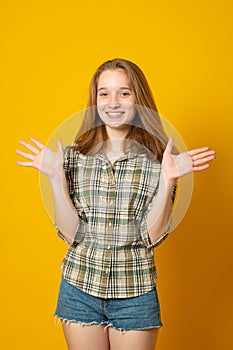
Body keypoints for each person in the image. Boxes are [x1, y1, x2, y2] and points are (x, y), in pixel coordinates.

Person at [16, 58, 216, 350]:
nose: (113, 102)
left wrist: (168, 180)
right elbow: (72, 236)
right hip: (79, 289)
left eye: (124, 92)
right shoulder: (71, 157)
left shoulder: (160, 161)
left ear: (139, 98)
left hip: (136, 292)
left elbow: (152, 236)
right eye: (104, 93)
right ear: (94, 99)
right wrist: (55, 177)